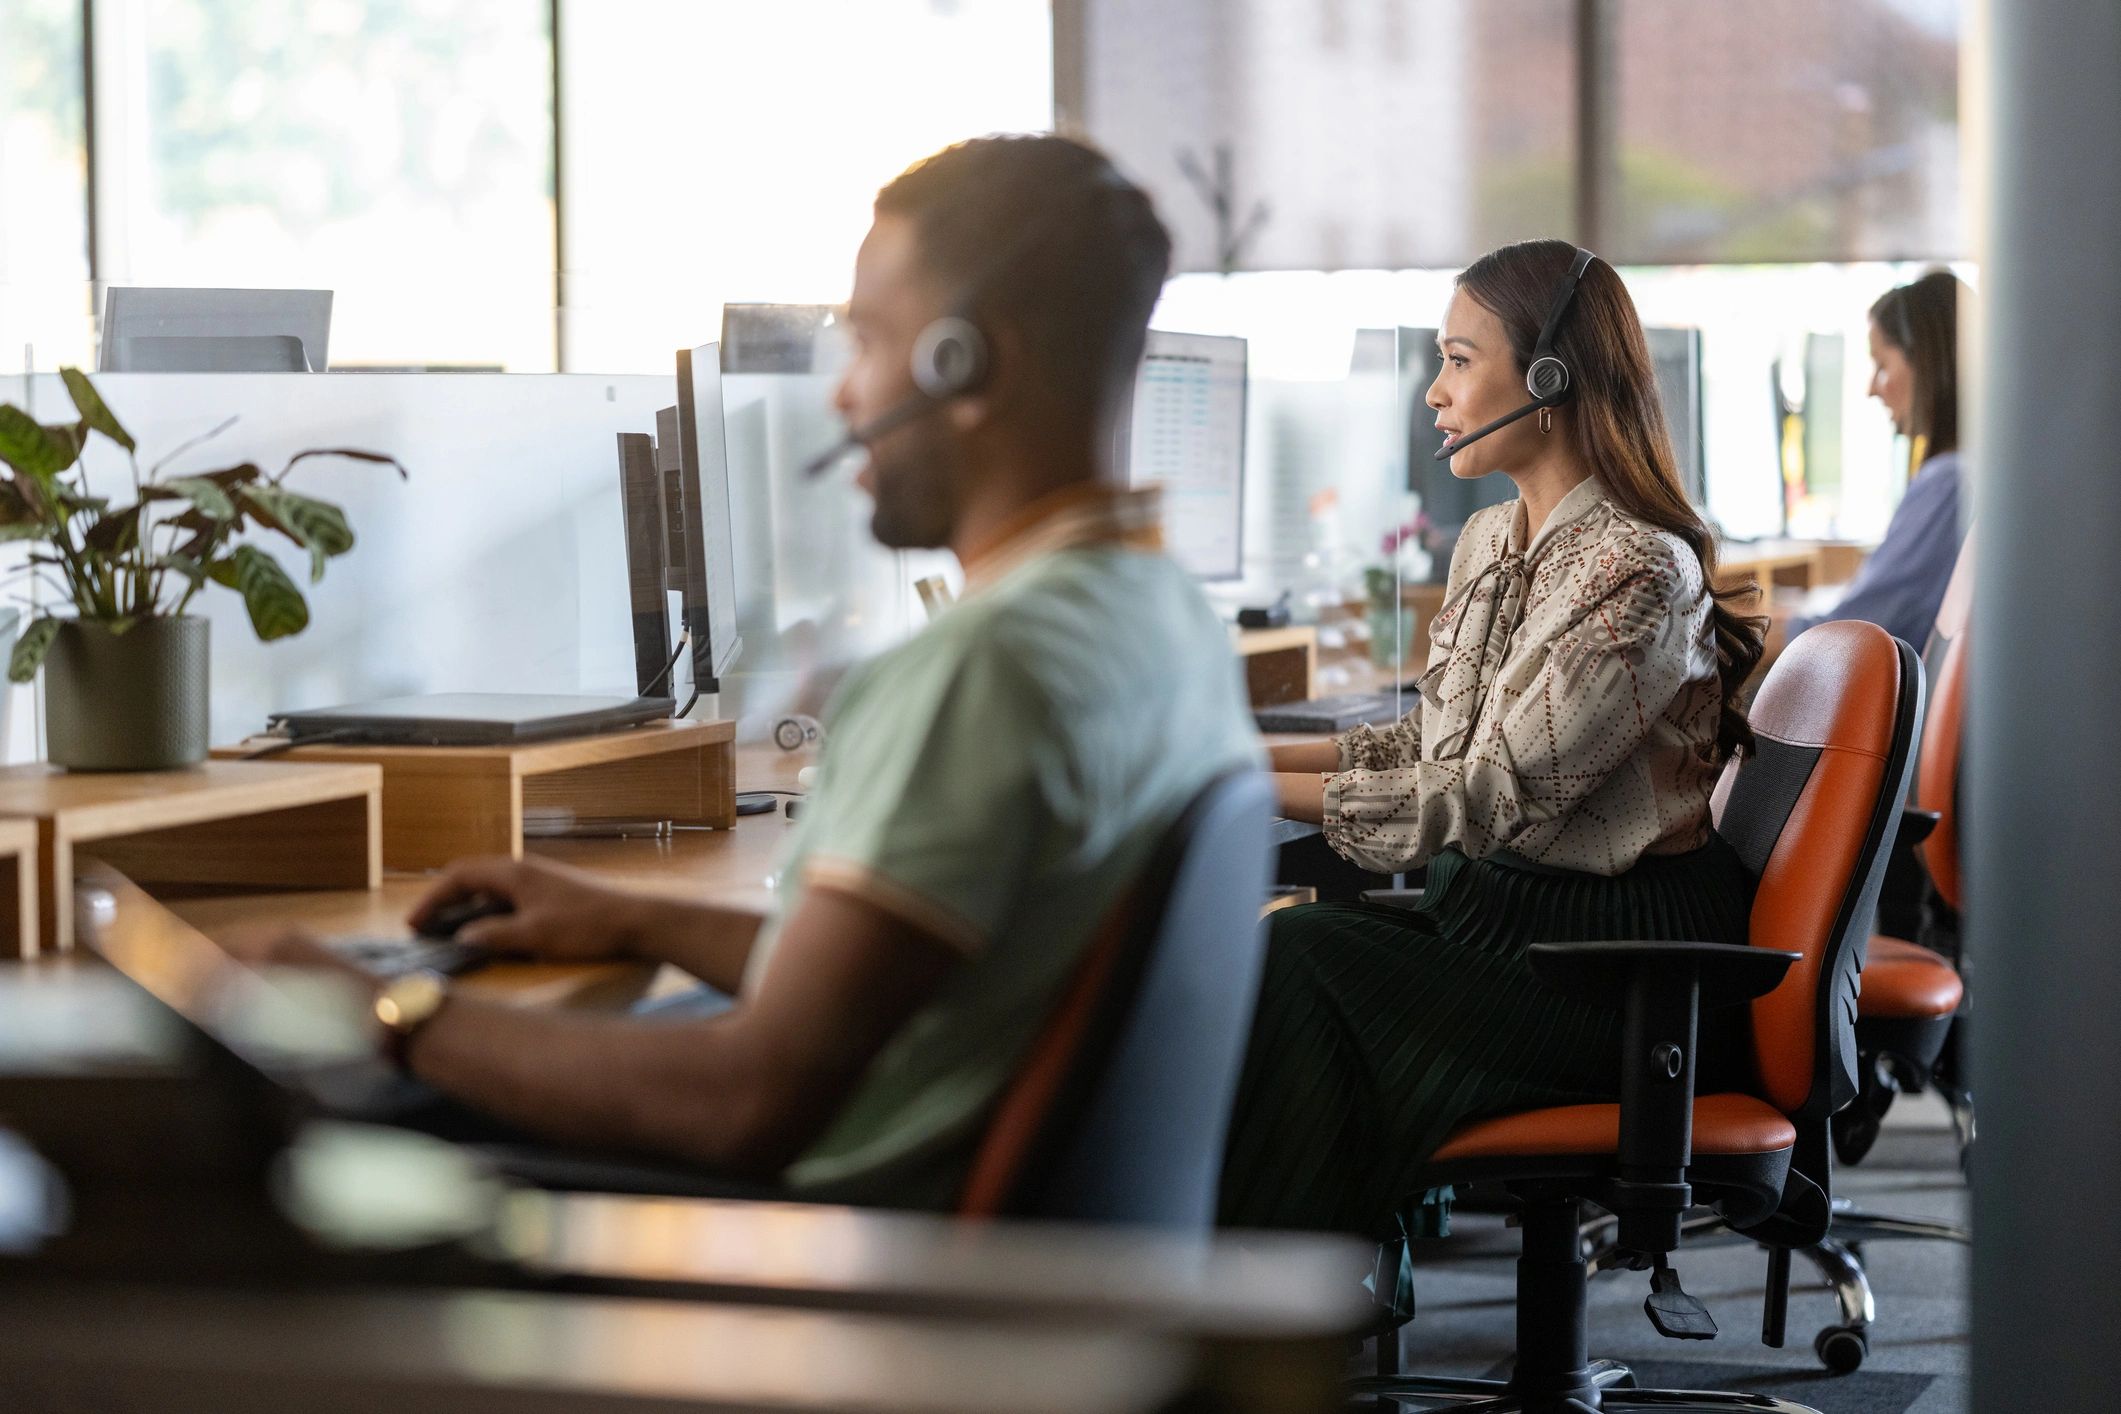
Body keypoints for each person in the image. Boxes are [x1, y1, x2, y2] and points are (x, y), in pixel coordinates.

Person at [260, 134, 1261, 1207]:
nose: (841, 396)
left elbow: (739, 1100)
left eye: (868, 341)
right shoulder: (1160, 617)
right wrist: (638, 919)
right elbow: (898, 983)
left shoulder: (984, 669)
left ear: (964, 368)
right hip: (1017, 1293)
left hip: (833, 1295)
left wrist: (377, 1011)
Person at [1219, 240, 1767, 1251]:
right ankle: (1310, 1305)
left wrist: (1222, 785)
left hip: (1613, 961)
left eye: (1460, 360)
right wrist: (1237, 757)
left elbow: (1482, 793)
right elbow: (1432, 739)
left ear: (1550, 380)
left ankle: (1277, 1325)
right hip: (1507, 920)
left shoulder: (1637, 574)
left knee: (1298, 957)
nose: (1434, 391)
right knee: (1296, 954)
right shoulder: (1491, 542)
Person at [1788, 269, 1972, 649]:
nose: (1872, 388)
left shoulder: (1949, 482)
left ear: (1927, 362)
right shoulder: (1966, 474)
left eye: (1882, 364)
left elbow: (1854, 632)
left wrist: (1746, 627)